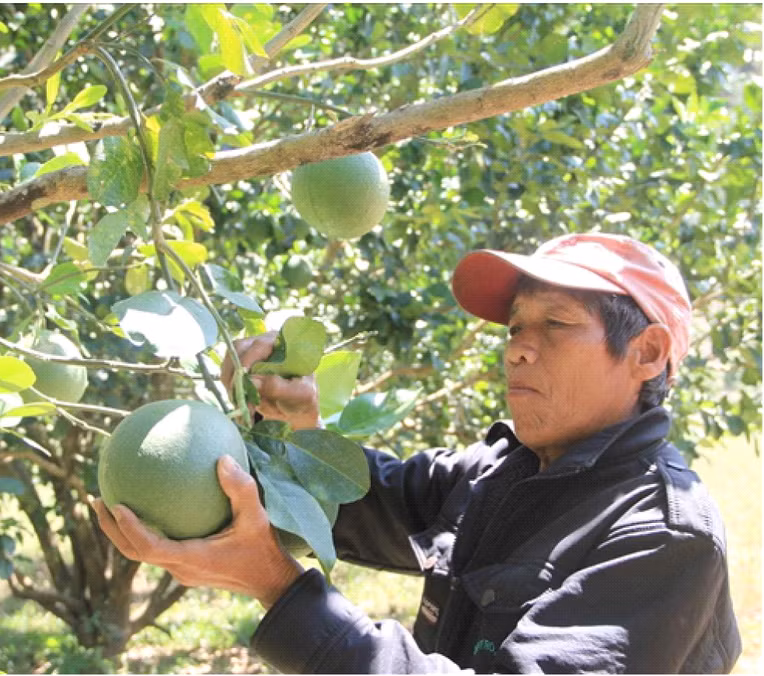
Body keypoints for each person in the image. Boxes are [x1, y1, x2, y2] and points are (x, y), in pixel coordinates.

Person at [93, 232, 742, 673]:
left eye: (555, 323)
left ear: (646, 353)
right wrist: (295, 435)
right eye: (515, 326)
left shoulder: (661, 537)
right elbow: (368, 501)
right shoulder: (502, 473)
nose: (518, 348)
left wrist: (274, 582)